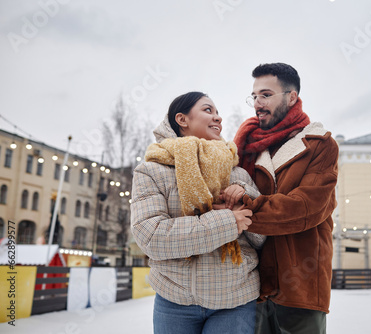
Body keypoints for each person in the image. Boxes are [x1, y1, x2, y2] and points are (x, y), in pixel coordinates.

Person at [130, 91, 265, 334]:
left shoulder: (239, 175)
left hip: (235, 301)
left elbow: (260, 237)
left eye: (217, 112)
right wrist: (227, 221)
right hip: (174, 301)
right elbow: (151, 237)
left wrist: (247, 198)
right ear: (182, 119)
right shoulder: (151, 171)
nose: (218, 118)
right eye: (208, 110)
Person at [232, 63, 339, 334]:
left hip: (300, 284)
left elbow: (304, 208)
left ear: (291, 97)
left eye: (266, 95)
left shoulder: (319, 144)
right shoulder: (246, 146)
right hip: (252, 284)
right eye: (254, 96)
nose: (257, 103)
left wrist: (244, 208)